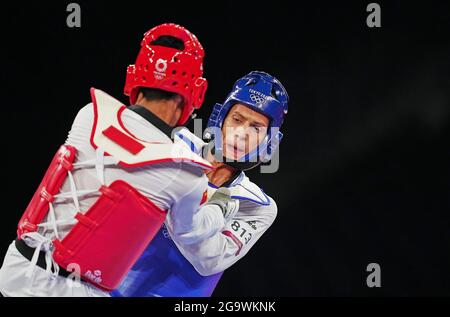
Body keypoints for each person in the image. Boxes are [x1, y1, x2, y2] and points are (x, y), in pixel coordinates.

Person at [0, 23, 218, 297]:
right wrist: (220, 209)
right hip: (77, 291)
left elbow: (125, 155)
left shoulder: (89, 114)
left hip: (16, 270)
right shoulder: (186, 172)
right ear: (195, 93)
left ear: (135, 79)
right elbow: (190, 234)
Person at [112, 71, 289, 297]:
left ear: (269, 141)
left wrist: (171, 197)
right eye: (237, 119)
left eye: (256, 128)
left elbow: (209, 261)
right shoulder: (177, 143)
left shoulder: (257, 206)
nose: (241, 134)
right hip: (109, 288)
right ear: (221, 119)